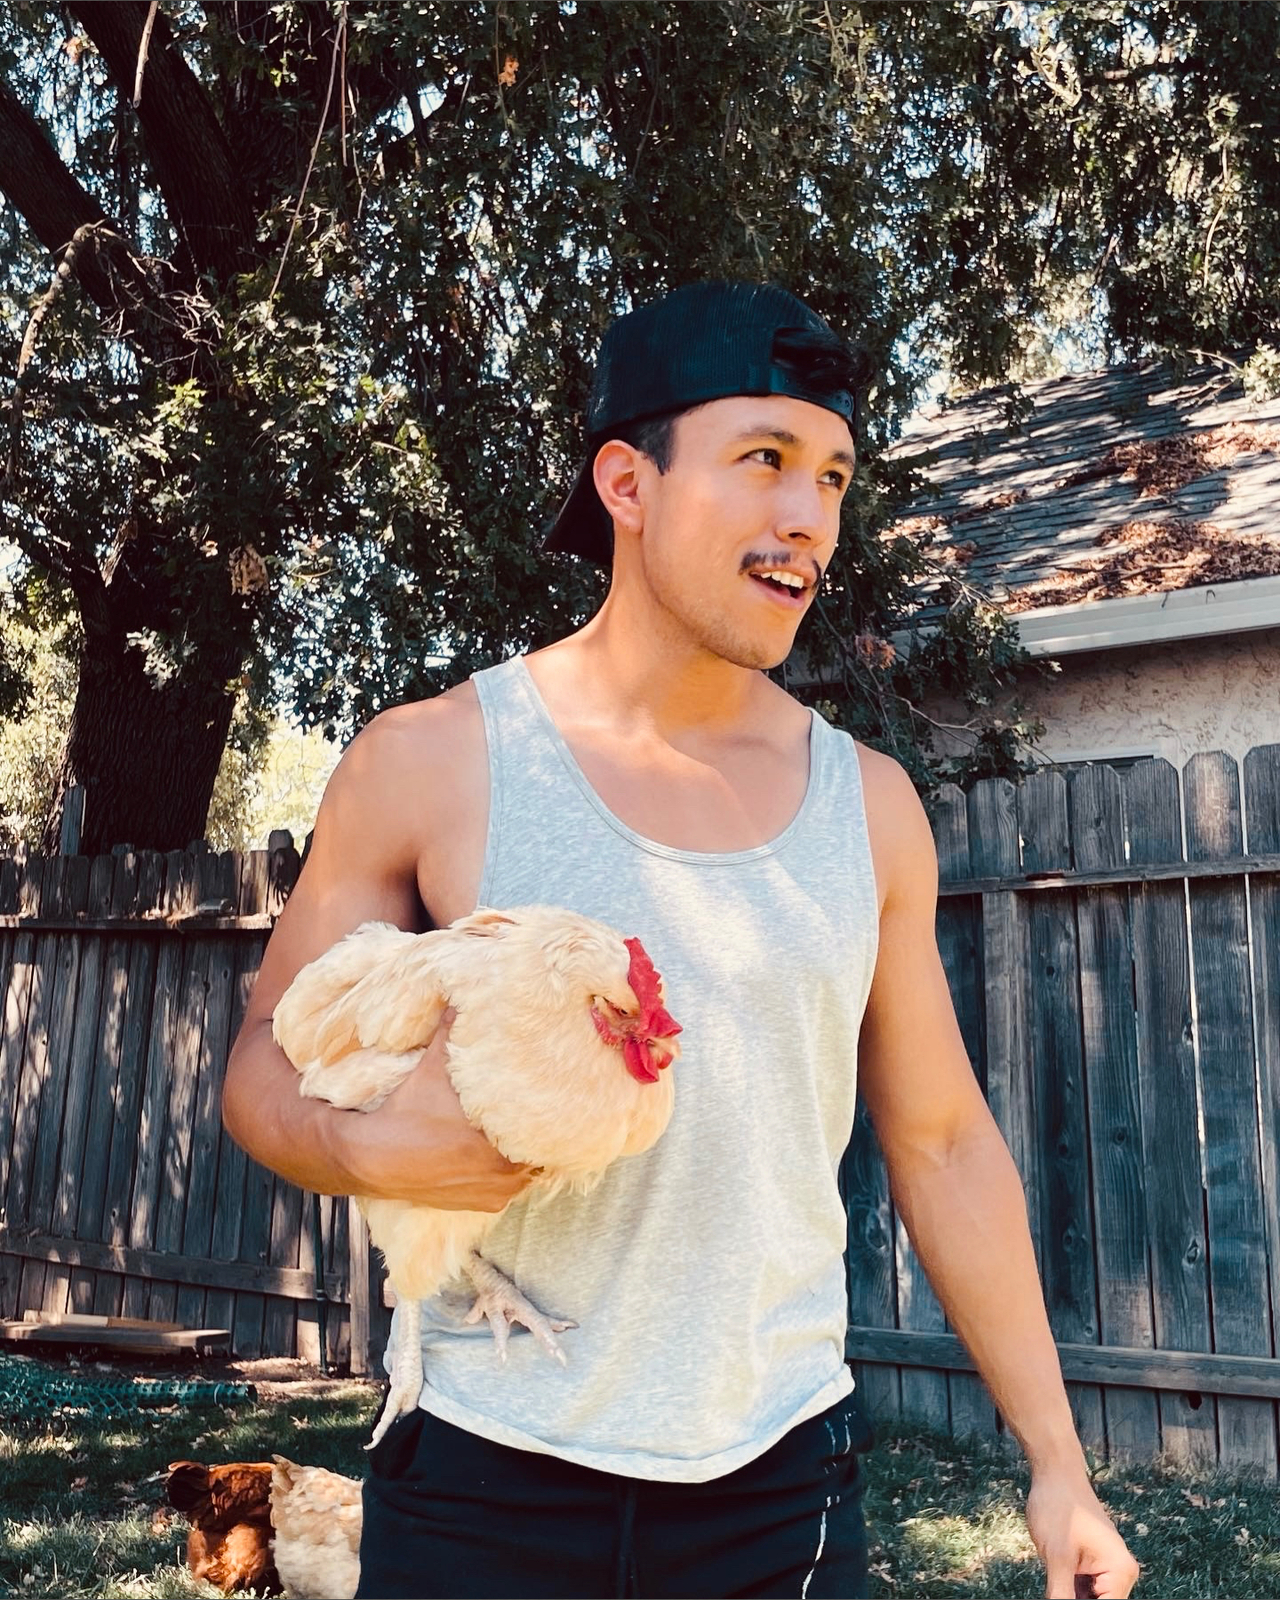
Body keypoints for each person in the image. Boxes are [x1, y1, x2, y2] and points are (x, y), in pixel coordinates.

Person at [222, 281, 1140, 1600]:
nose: (808, 515)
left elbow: (942, 1141)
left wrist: (1058, 1464)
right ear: (627, 483)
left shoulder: (871, 809)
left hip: (780, 1493)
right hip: (484, 1480)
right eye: (764, 457)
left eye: (832, 476)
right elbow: (263, 1059)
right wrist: (359, 1146)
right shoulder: (431, 763)